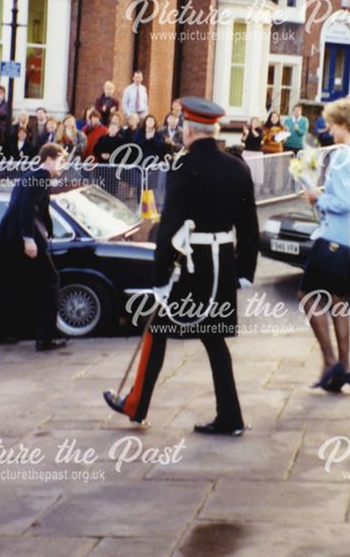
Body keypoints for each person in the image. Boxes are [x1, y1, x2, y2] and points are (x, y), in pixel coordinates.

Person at [103, 96, 259, 434]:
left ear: (189, 130)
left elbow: (170, 226)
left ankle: (136, 405)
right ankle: (230, 417)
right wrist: (245, 270)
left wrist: (160, 278)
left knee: (155, 330)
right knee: (214, 339)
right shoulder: (237, 167)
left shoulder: (182, 167)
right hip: (223, 264)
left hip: (191, 265)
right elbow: (249, 224)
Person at [298, 97, 350, 393]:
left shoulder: (343, 156)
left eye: (331, 125)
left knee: (307, 294)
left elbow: (342, 203)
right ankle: (345, 368)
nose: (328, 131)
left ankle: (330, 361)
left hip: (334, 237)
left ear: (344, 124)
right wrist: (323, 191)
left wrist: (317, 197)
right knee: (337, 301)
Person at [0, 143, 68, 350]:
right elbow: (27, 207)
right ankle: (45, 338)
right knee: (52, 281)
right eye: (61, 162)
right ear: (50, 159)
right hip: (22, 238)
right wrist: (28, 238)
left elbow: (31, 207)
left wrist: (47, 230)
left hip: (7, 239)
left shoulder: (30, 175)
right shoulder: (41, 177)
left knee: (10, 285)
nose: (62, 168)